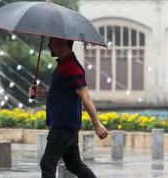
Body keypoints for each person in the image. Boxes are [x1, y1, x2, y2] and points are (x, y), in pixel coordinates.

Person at [28, 37, 109, 178]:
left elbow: (85, 96)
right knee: (74, 164)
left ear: (63, 43)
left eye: (51, 42)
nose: (48, 45)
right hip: (65, 125)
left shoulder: (71, 67)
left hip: (63, 126)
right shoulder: (64, 65)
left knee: (47, 163)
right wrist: (41, 93)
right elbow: (62, 93)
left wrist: (98, 125)